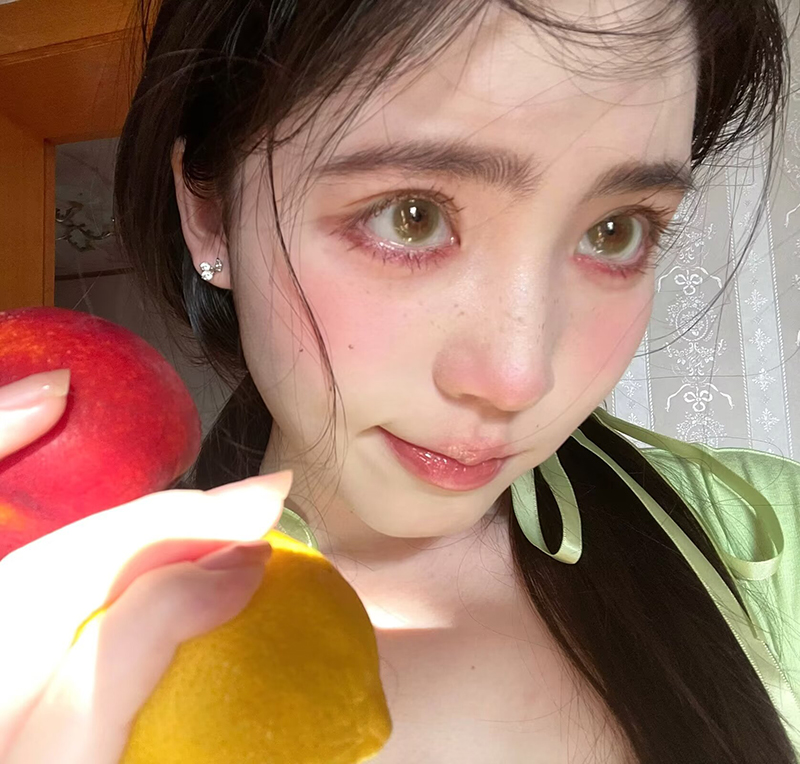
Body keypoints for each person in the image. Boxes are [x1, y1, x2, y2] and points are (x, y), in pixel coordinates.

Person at [0, 0, 797, 762]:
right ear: (211, 216)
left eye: (616, 231)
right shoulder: (77, 636)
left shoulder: (769, 543)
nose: (518, 380)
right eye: (410, 215)